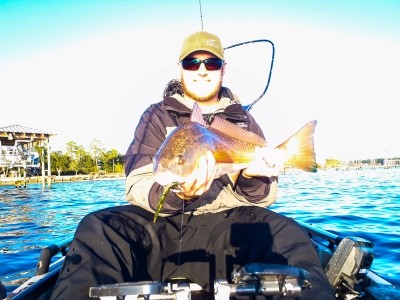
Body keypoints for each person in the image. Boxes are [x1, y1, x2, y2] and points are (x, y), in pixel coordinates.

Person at [50, 31, 335, 299]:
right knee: (97, 227)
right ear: (181, 68)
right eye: (192, 62)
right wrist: (176, 194)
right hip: (161, 222)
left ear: (223, 69)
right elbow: (137, 182)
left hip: (227, 221)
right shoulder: (156, 115)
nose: (201, 70)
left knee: (288, 234)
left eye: (211, 63)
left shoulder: (244, 121)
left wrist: (249, 174)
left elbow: (264, 198)